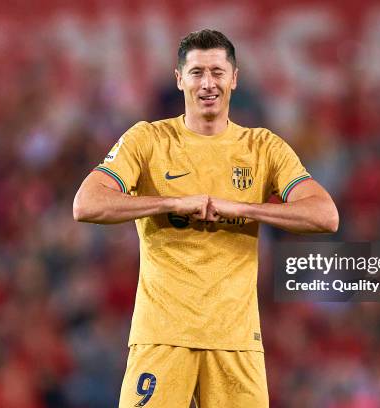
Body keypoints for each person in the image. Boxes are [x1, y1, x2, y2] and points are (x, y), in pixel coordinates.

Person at [73, 29, 338, 408]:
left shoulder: (263, 147)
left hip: (236, 340)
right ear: (179, 79)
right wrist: (169, 204)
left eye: (217, 71)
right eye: (197, 72)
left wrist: (243, 209)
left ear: (234, 78)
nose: (208, 83)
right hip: (163, 335)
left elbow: (325, 214)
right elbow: (86, 203)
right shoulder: (147, 140)